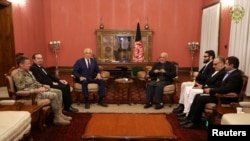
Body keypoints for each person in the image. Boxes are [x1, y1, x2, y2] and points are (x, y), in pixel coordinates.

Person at [180, 56, 243, 128]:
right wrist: (211, 89)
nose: (224, 65)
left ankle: (195, 122)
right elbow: (221, 86)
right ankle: (190, 119)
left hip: (224, 98)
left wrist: (211, 90)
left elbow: (226, 89)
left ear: (231, 65)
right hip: (219, 94)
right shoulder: (229, 73)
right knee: (198, 96)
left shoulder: (235, 76)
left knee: (201, 98)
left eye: (226, 63)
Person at [13, 55, 72, 125]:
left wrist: (42, 85)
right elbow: (21, 90)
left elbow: (35, 82)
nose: (30, 65)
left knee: (58, 91)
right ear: (21, 64)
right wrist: (36, 90)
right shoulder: (18, 75)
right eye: (27, 64)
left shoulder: (29, 72)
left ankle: (59, 114)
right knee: (54, 95)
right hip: (32, 95)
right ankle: (57, 118)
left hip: (38, 90)